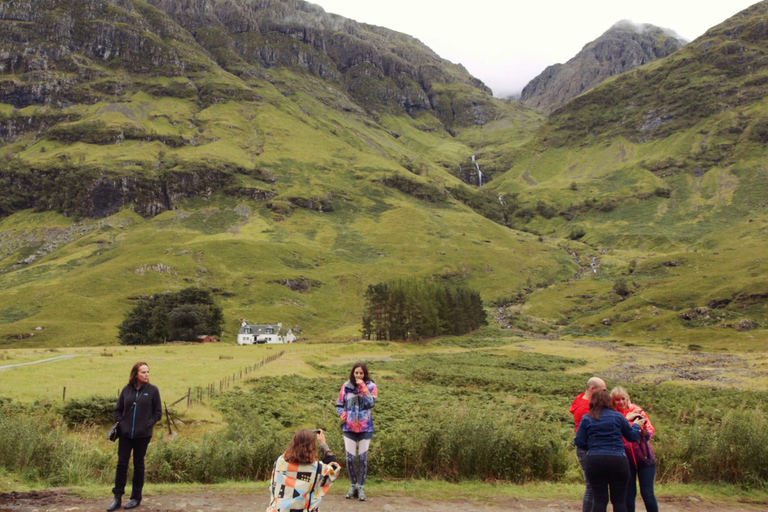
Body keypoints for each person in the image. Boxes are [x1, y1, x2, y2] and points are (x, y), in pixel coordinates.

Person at [575, 389, 644, 512]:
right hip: (618, 460)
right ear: (609, 401)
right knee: (619, 501)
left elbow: (579, 442)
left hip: (595, 460)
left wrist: (593, 447)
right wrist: (637, 425)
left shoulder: (587, 418)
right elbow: (632, 437)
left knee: (599, 500)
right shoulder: (618, 416)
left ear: (593, 402)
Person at [107, 362, 162, 511]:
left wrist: (148, 424)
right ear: (135, 374)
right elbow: (118, 409)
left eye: (148, 372)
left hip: (142, 435)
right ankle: (117, 498)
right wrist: (120, 422)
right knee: (122, 464)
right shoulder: (126, 390)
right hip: (125, 434)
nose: (146, 374)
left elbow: (158, 413)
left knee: (138, 464)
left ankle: (136, 497)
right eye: (143, 372)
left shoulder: (153, 390)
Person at [267, 429, 341, 512]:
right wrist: (323, 444)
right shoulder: (318, 469)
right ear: (313, 446)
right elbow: (335, 468)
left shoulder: (281, 462)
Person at [611, 387, 659, 512]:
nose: (621, 402)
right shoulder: (612, 414)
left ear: (628, 399)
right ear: (612, 401)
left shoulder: (637, 410)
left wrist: (645, 432)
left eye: (623, 399)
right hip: (625, 459)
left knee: (648, 494)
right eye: (617, 400)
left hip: (644, 457)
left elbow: (651, 430)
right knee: (629, 495)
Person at [336, 362, 378, 501]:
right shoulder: (346, 386)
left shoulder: (371, 386)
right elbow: (339, 404)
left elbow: (371, 403)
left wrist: (363, 387)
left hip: (365, 427)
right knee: (350, 459)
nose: (358, 375)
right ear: (353, 373)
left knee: (363, 459)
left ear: (365, 374)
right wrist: (343, 415)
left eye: (361, 373)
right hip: (349, 428)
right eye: (356, 373)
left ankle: (361, 488)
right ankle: (353, 485)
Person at [570, 376, 607, 512]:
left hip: (588, 447)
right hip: (588, 448)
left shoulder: (581, 398)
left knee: (593, 485)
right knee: (592, 486)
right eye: (603, 390)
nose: (605, 393)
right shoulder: (587, 409)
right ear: (593, 389)